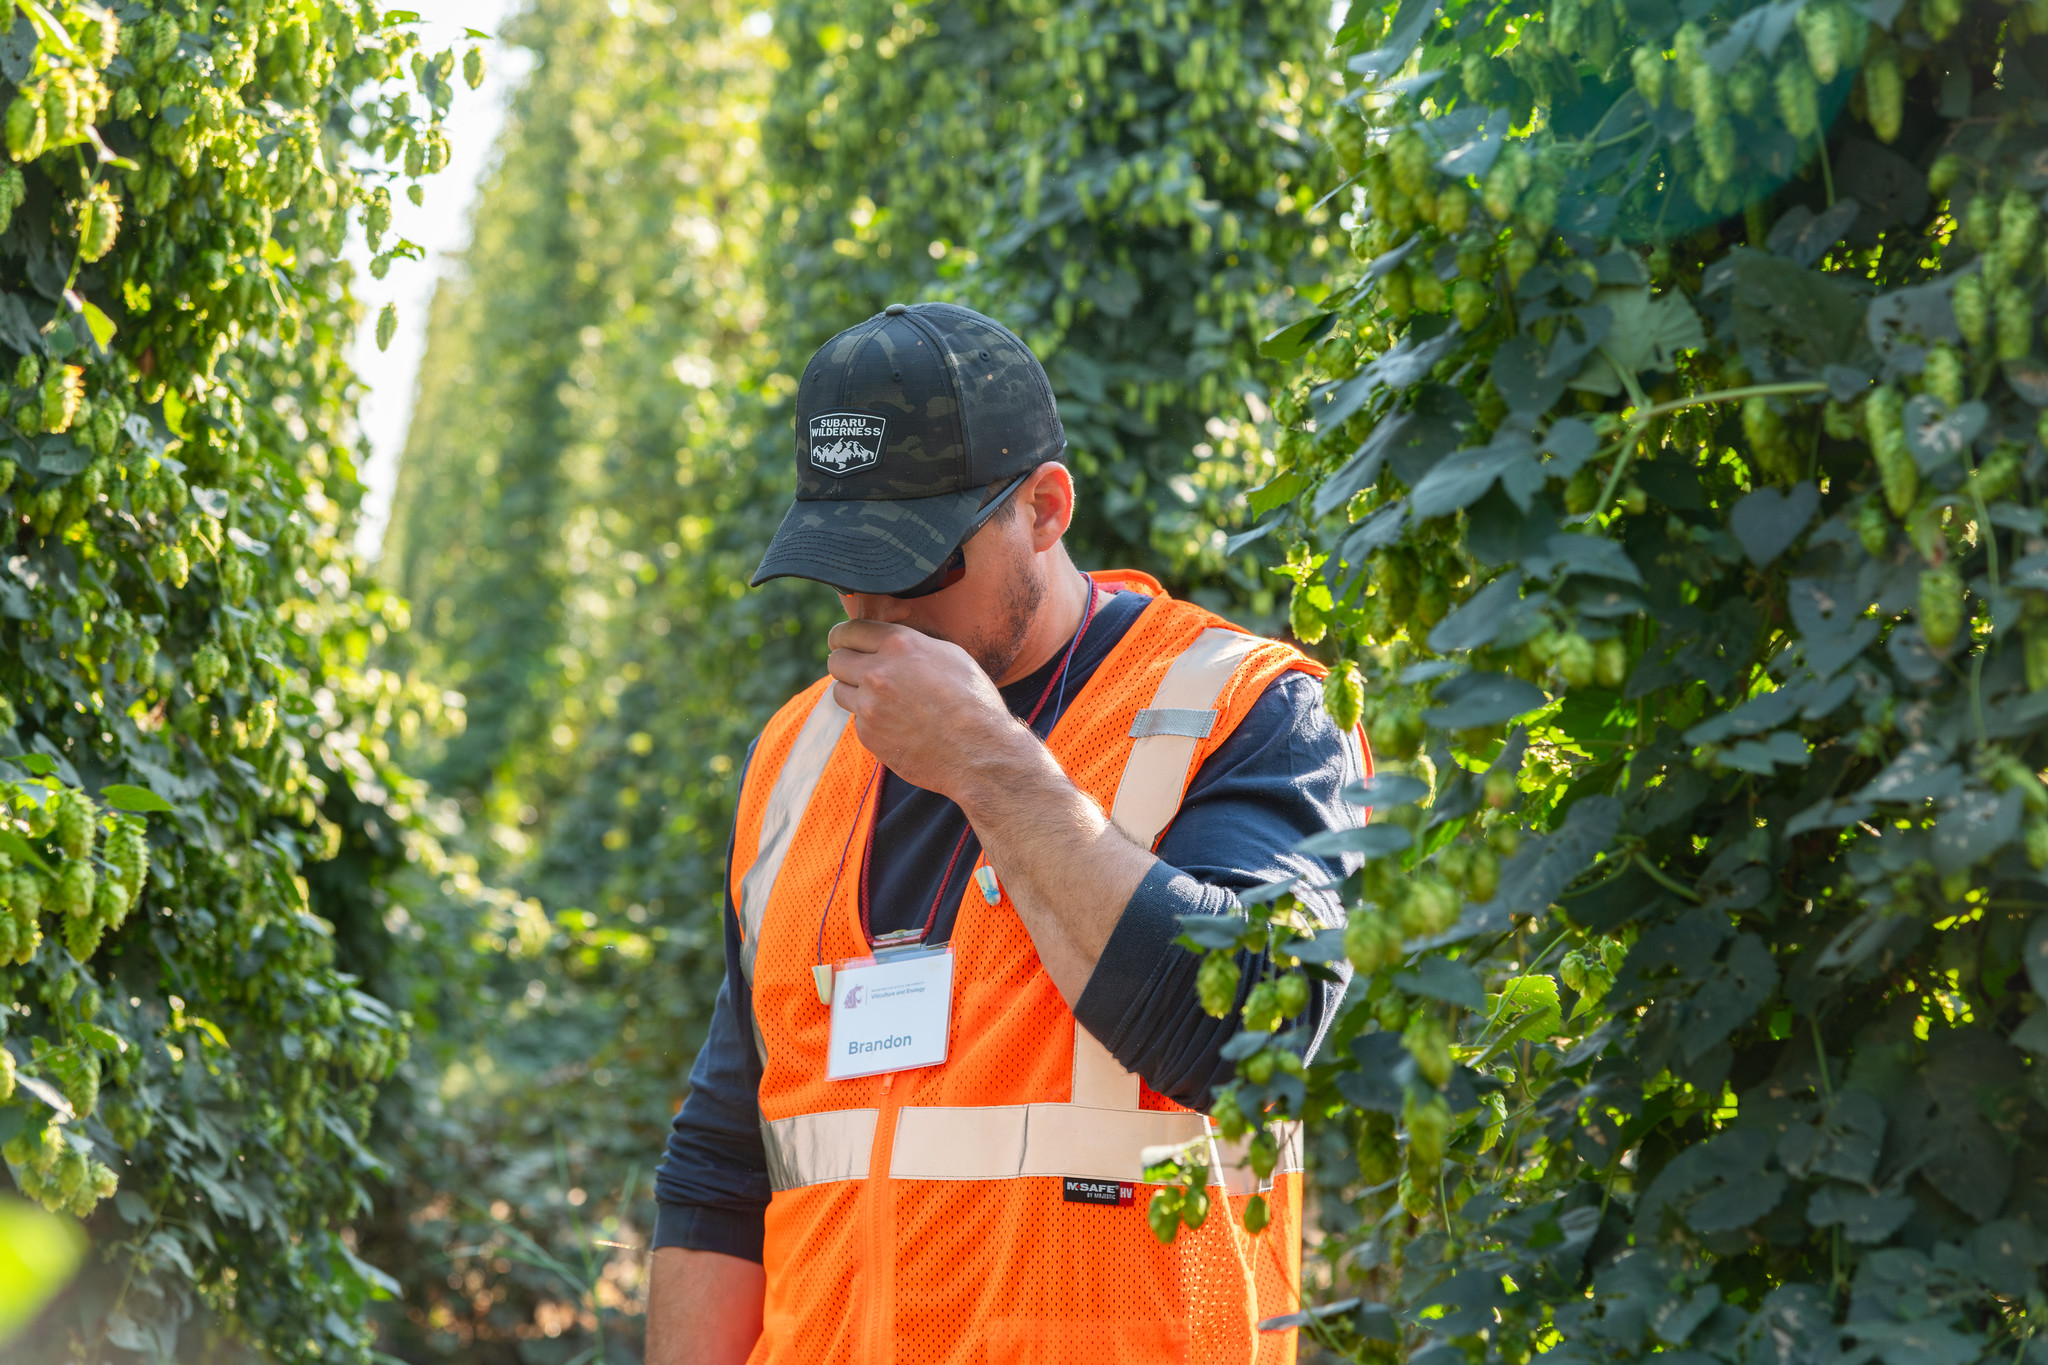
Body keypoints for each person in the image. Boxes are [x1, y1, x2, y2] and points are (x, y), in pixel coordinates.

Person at [645, 302, 1369, 1365]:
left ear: (1042, 508)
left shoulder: (1243, 708)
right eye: (845, 563)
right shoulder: (795, 755)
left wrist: (986, 763)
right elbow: (724, 1155)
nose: (877, 608)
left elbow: (1248, 1038)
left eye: (920, 562)